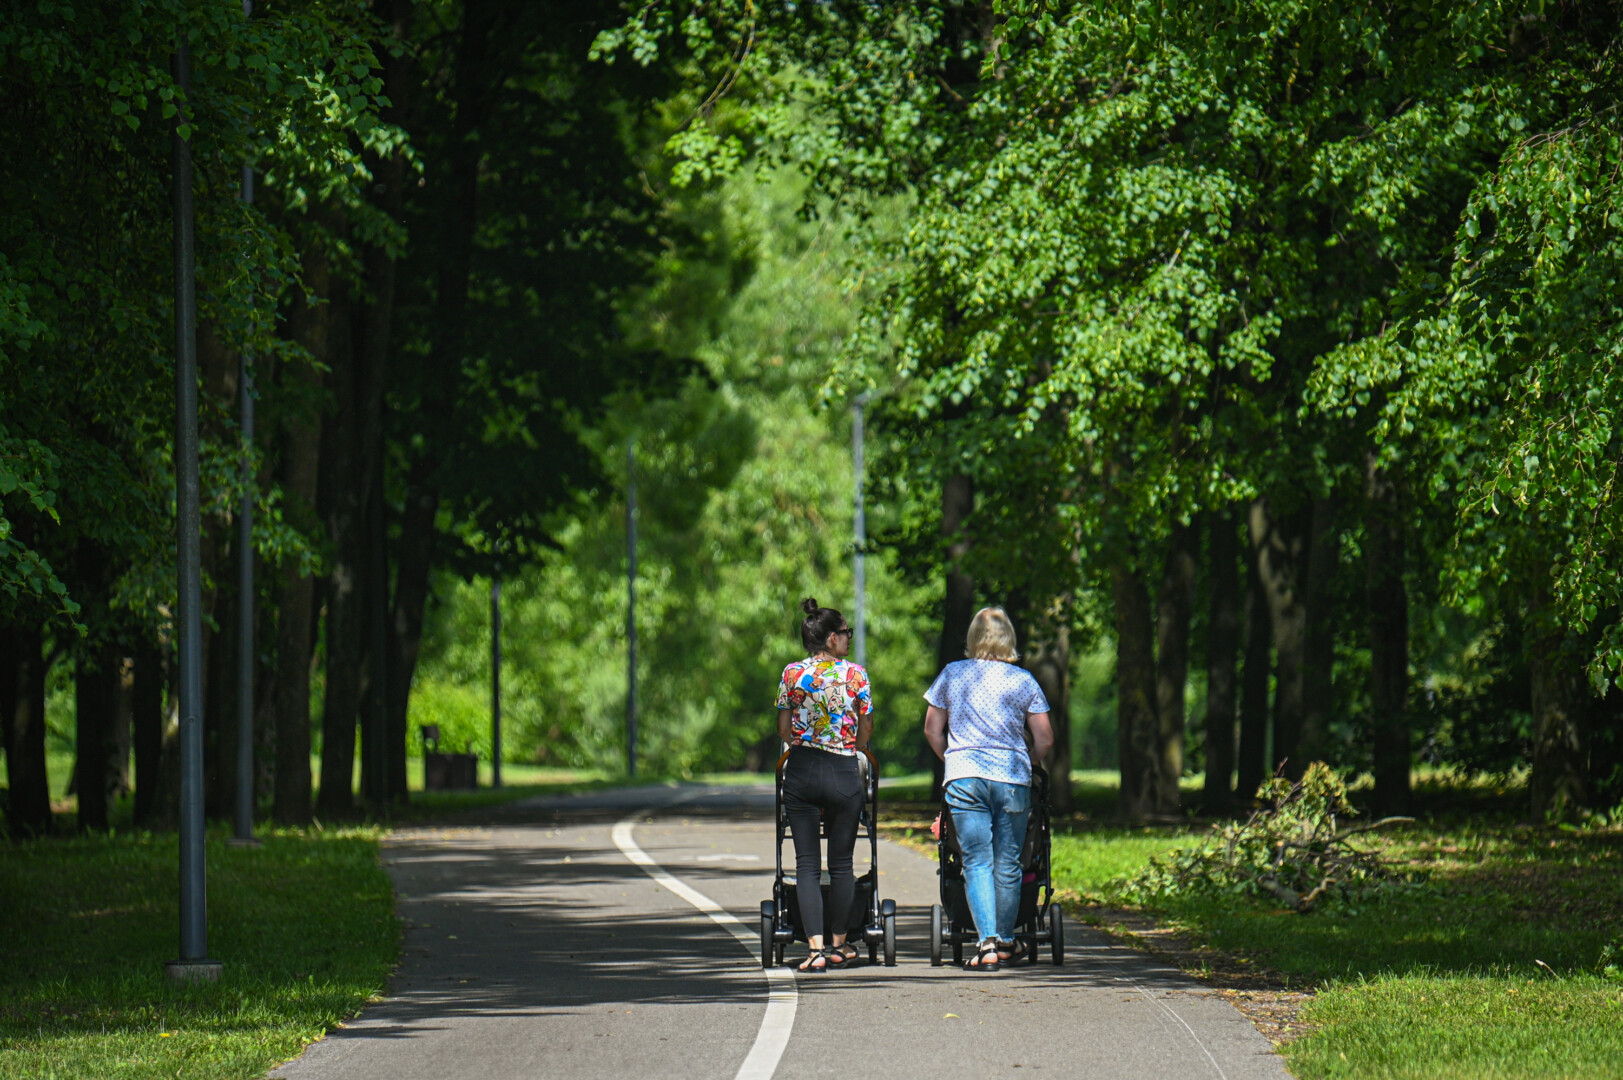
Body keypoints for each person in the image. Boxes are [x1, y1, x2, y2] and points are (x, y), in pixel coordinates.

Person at [923, 606, 1055, 972]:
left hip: (965, 775)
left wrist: (952, 757)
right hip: (1012, 776)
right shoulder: (1023, 680)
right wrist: (1025, 759)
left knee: (976, 860)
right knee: (1009, 862)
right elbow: (1045, 738)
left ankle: (987, 945)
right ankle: (1008, 940)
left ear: (972, 638)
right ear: (1008, 638)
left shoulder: (952, 674)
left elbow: (933, 729)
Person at [775, 597, 873, 972]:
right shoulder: (856, 675)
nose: (848, 638)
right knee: (843, 863)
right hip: (842, 770)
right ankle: (839, 944)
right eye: (845, 633)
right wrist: (854, 746)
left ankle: (813, 949)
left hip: (801, 770)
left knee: (806, 864)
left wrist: (800, 743)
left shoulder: (790, 674)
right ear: (831, 639)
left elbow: (784, 729)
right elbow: (865, 728)